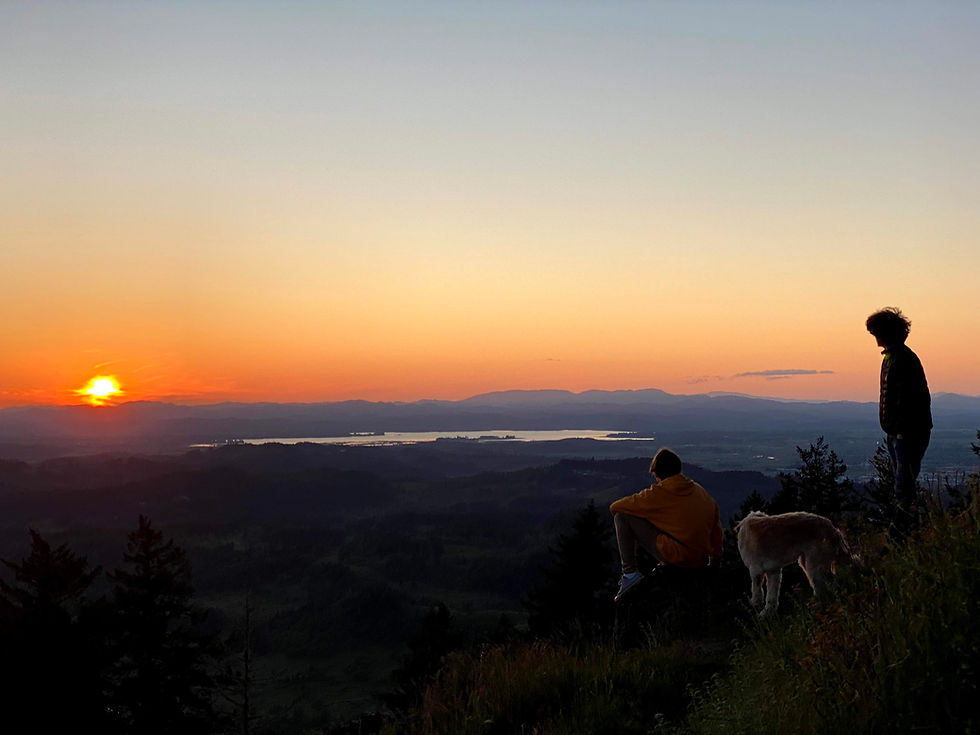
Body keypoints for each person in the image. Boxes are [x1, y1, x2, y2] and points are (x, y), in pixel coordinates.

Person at [609, 448, 723, 601]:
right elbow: (716, 528)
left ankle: (630, 574)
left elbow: (615, 507)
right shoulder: (699, 491)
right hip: (700, 558)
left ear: (657, 474)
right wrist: (714, 561)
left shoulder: (660, 492)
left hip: (679, 557)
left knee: (622, 517)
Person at [865, 307, 932, 523]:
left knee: (904, 489)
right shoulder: (893, 357)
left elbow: (910, 400)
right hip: (898, 434)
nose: (874, 337)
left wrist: (902, 432)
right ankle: (906, 533)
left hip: (907, 435)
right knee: (902, 486)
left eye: (876, 332)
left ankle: (901, 536)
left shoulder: (902, 360)